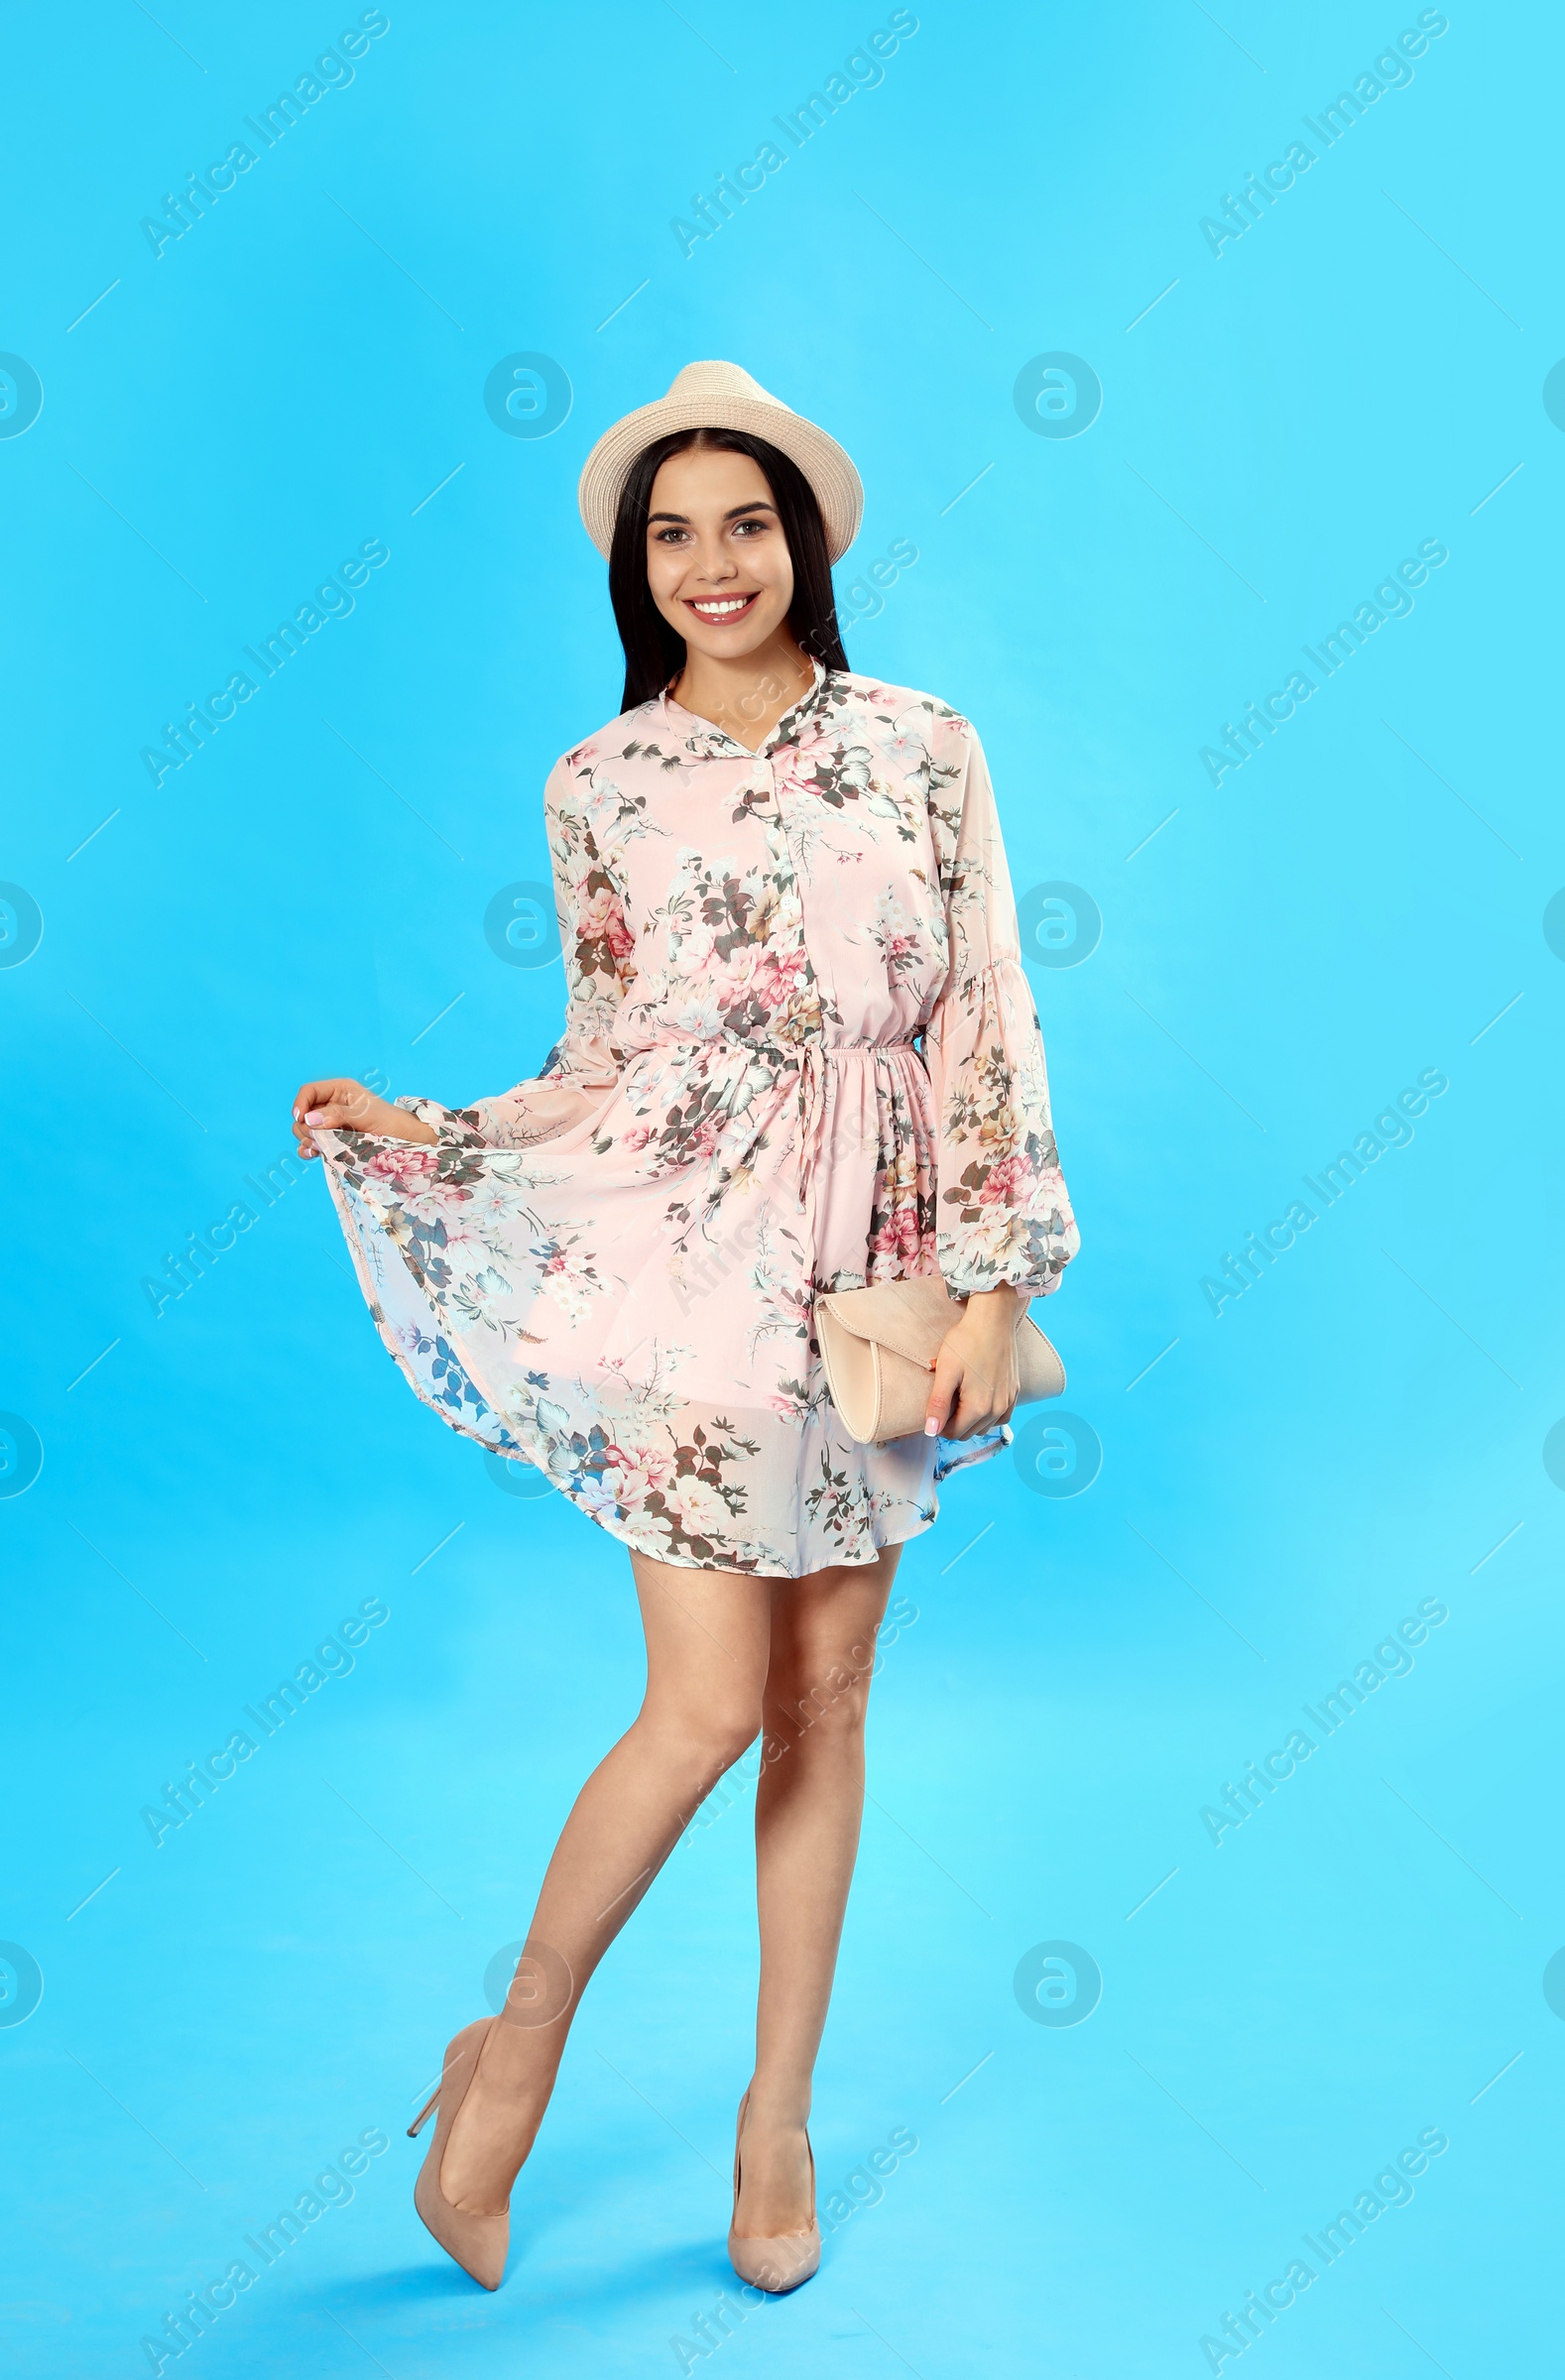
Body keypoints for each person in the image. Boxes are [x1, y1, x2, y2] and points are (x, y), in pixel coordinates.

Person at [291, 360, 1078, 2292]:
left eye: (743, 524)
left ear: (797, 543)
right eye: (672, 534)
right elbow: (600, 1065)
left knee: (826, 1702)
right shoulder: (597, 783)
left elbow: (982, 1021)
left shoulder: (919, 745)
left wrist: (995, 1279)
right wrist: (434, 1132)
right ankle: (512, 2053)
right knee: (706, 1703)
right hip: (689, 1275)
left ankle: (772, 2120)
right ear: (636, 569)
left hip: (881, 1267)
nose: (710, 563)